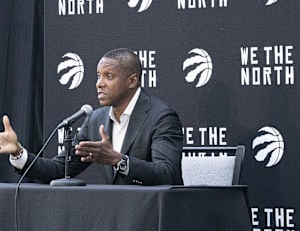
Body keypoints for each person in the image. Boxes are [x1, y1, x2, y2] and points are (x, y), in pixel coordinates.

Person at [0, 48, 184, 185]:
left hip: (157, 215)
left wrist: (118, 160)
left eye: (109, 76)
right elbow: (59, 169)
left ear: (132, 80)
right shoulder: (95, 120)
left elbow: (167, 173)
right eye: (98, 76)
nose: (99, 84)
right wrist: (18, 152)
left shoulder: (161, 117)